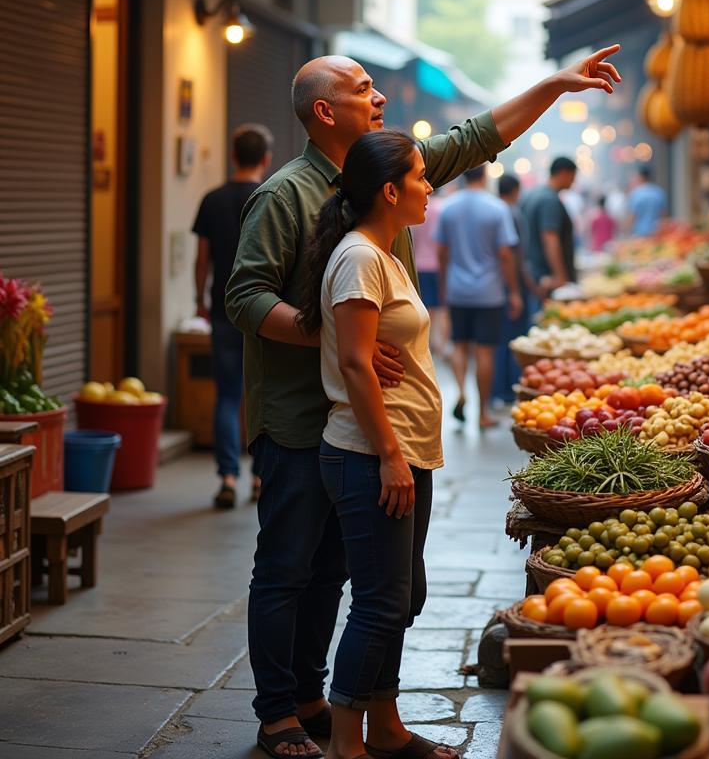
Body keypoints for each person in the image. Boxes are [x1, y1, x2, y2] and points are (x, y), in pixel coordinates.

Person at [225, 48, 621, 759]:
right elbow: (245, 296)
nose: (378, 96)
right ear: (325, 112)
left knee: (344, 573)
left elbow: (478, 136)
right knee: (289, 566)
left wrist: (556, 86)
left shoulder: (378, 172)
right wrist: (325, 332)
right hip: (301, 420)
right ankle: (278, 712)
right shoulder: (283, 196)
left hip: (369, 419)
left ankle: (320, 697)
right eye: (363, 87)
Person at [296, 130, 442, 759]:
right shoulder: (359, 257)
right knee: (381, 602)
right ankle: (346, 745)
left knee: (403, 595)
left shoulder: (384, 254)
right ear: (390, 190)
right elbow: (355, 365)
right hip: (369, 454)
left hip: (404, 450)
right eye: (419, 177)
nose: (429, 186)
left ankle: (385, 726)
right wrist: (387, 454)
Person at [192, 123, 273, 510]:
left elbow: (202, 258)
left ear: (232, 155)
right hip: (263, 313)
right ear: (266, 159)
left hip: (224, 309)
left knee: (227, 394)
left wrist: (200, 300)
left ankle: (227, 475)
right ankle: (260, 476)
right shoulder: (272, 195)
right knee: (262, 394)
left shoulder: (212, 199)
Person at [435, 165, 521, 429]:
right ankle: (482, 413)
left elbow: (442, 253)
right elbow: (505, 255)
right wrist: (514, 291)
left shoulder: (449, 207)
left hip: (458, 290)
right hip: (489, 292)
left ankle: (461, 393)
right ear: (484, 175)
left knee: (460, 345)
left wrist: (444, 287)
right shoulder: (497, 208)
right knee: (485, 351)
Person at [492, 174, 531, 405]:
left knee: (498, 341)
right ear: (516, 190)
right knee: (513, 340)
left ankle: (497, 391)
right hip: (510, 285)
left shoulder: (493, 210)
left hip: (493, 286)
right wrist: (520, 289)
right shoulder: (512, 213)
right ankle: (508, 390)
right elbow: (514, 255)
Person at [521, 156, 578, 312]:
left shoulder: (533, 195)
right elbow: (550, 238)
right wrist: (560, 276)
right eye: (573, 177)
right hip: (546, 276)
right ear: (564, 173)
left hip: (533, 272)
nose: (573, 182)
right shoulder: (549, 200)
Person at [410, 185, 448, 358]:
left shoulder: (417, 208)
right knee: (440, 309)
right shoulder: (443, 209)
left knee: (423, 308)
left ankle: (426, 344)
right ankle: (438, 343)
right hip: (438, 266)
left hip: (419, 265)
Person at [627, 165, 668, 236]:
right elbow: (663, 215)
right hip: (656, 232)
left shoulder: (636, 193)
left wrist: (628, 231)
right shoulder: (659, 192)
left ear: (640, 177)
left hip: (639, 233)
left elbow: (632, 216)